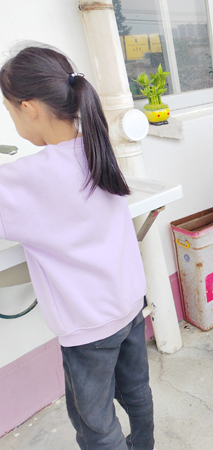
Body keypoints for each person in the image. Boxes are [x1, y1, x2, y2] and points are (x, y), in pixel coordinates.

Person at [0, 46, 154, 449]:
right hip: (129, 306)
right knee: (136, 393)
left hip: (88, 327)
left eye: (9, 111)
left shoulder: (28, 178)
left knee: (95, 423)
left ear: (29, 108)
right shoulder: (96, 147)